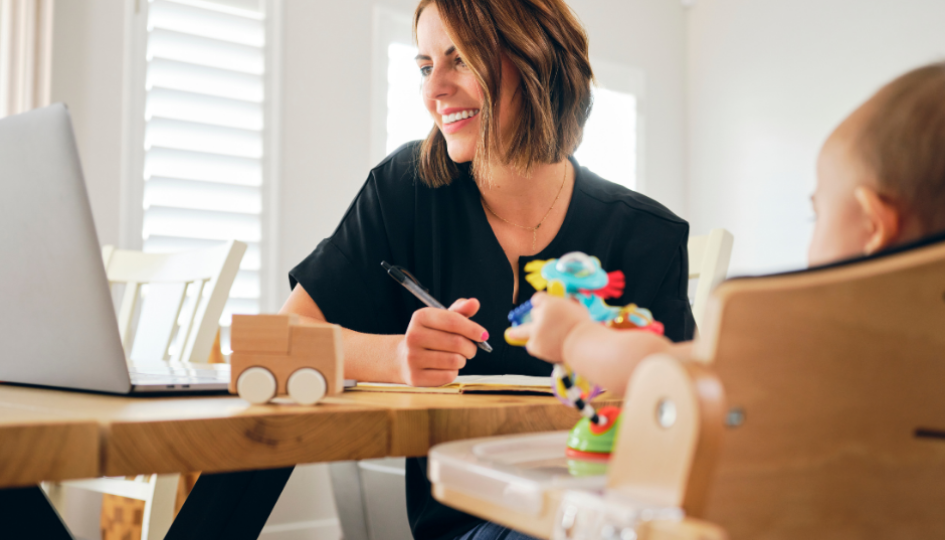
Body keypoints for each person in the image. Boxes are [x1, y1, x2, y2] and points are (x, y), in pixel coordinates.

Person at [280, 0, 695, 538]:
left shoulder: (649, 235)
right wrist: (396, 357)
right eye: (427, 67)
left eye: (462, 59)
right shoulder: (403, 190)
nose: (434, 90)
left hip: (608, 514)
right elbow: (285, 341)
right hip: (469, 522)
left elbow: (685, 413)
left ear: (536, 59)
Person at [508, 61, 945, 397]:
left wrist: (575, 336)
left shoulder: (817, 335)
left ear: (872, 227)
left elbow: (662, 370)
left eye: (817, 214)